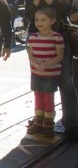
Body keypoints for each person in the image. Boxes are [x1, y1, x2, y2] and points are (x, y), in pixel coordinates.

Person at [24, 0, 78, 137]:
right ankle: (41, 119)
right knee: (40, 79)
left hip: (59, 36)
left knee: (65, 81)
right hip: (37, 39)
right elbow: (29, 16)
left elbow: (65, 12)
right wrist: (37, 1)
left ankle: (72, 123)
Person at [26, 7, 64, 137]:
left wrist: (46, 65)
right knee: (38, 97)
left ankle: (48, 123)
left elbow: (59, 55)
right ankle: (38, 121)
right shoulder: (32, 37)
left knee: (48, 98)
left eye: (43, 20)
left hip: (51, 73)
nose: (39, 23)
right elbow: (30, 54)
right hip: (36, 73)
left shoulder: (57, 37)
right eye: (37, 20)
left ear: (52, 21)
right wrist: (37, 64)